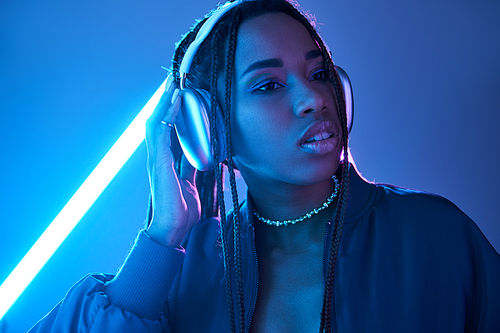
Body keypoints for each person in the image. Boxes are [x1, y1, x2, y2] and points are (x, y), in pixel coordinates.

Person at [29, 0, 500, 332]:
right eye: (268, 86)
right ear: (207, 130)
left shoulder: (435, 233)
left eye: (318, 74)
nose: (314, 98)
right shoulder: (192, 268)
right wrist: (163, 236)